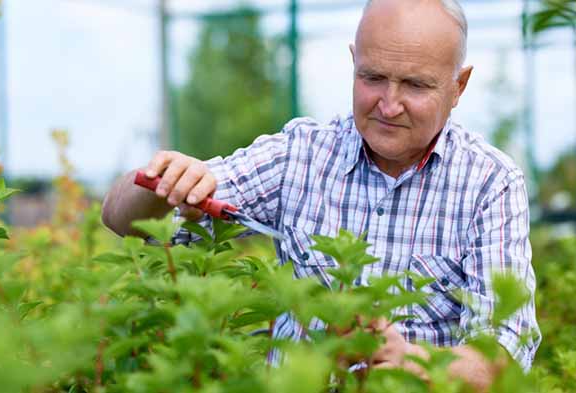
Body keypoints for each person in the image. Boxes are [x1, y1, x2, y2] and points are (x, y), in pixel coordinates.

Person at [101, 0, 540, 389]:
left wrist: (412, 361)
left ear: (458, 87)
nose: (389, 104)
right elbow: (125, 220)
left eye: (415, 85)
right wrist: (160, 180)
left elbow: (504, 350)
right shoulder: (300, 154)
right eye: (372, 77)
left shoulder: (490, 182)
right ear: (353, 63)